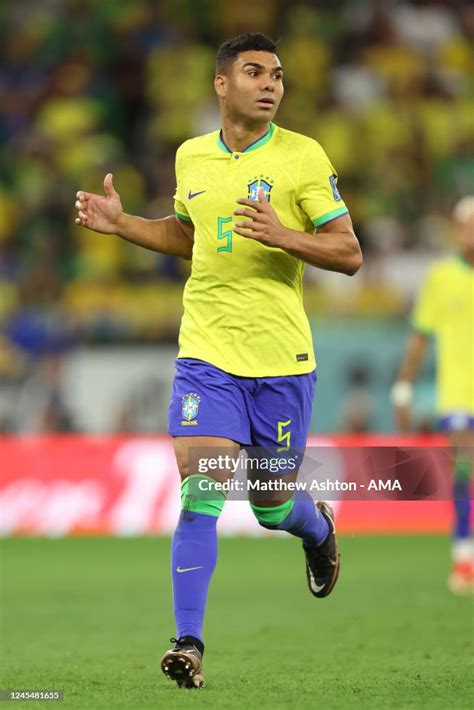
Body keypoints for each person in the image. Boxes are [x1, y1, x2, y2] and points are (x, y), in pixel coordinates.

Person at [75, 33, 362, 688]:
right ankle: (190, 642)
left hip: (282, 358)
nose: (271, 84)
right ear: (221, 85)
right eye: (255, 72)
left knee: (268, 503)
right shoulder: (191, 157)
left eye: (279, 75)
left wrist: (283, 234)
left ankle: (315, 529)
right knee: (201, 486)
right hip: (206, 352)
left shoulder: (301, 157)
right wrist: (124, 226)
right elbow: (185, 235)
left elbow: (348, 253)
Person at [392, 195, 474, 594]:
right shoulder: (442, 277)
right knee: (466, 469)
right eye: (468, 225)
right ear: (459, 230)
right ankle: (464, 558)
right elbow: (420, 336)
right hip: (460, 396)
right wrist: (404, 387)